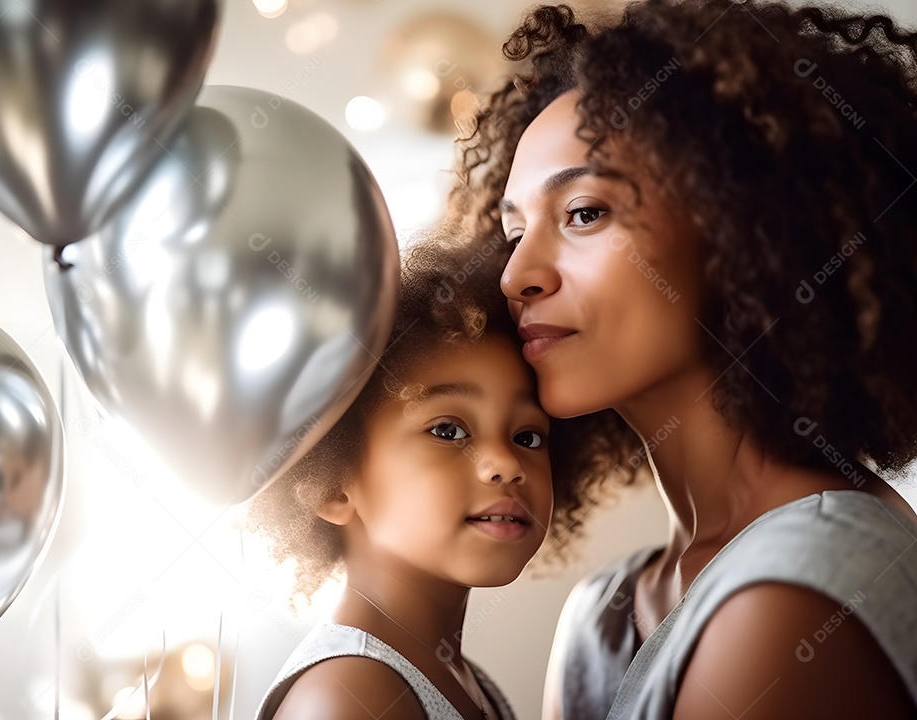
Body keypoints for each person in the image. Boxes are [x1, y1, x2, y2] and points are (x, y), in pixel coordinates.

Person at [447, 1, 917, 718]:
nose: (517, 276)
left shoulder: (795, 597)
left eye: (583, 213)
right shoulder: (602, 611)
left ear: (739, 228)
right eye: (514, 234)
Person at [248, 234, 608, 719]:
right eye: (448, 429)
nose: (505, 463)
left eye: (528, 437)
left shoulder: (467, 684)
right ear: (330, 484)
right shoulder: (349, 696)